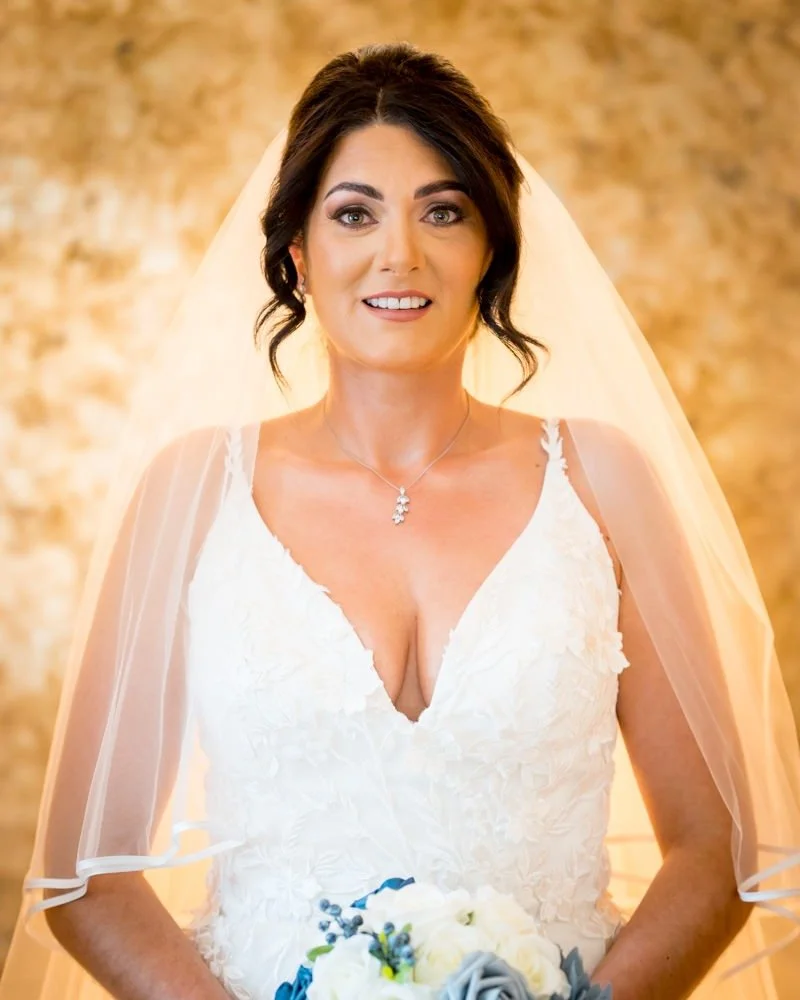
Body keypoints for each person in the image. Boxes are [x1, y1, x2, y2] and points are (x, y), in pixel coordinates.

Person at [1, 41, 799, 1000]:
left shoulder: (602, 481)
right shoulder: (192, 492)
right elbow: (86, 878)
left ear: (491, 250)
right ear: (297, 254)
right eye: (354, 214)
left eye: (443, 211)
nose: (400, 254)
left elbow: (714, 851)